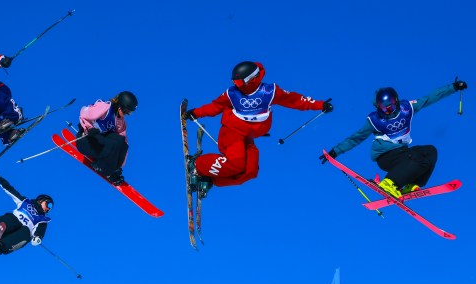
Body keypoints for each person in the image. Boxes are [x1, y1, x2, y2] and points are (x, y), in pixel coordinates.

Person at [185, 62, 330, 195]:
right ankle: (198, 165)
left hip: (248, 137)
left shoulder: (269, 92)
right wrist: (195, 113)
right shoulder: (232, 94)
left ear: (252, 79)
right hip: (231, 131)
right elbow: (215, 106)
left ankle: (209, 180)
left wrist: (320, 104)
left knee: (250, 171)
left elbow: (294, 100)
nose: (238, 85)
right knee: (235, 163)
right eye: (235, 82)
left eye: (240, 82)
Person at [321, 80, 468, 198]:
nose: (387, 111)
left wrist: (453, 87)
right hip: (386, 157)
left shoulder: (407, 108)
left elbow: (430, 98)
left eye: (390, 107)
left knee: (430, 151)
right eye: (383, 108)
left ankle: (411, 184)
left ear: (396, 102)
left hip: (402, 154)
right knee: (415, 156)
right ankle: (389, 182)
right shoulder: (375, 120)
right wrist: (335, 151)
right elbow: (356, 138)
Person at [0, 175, 54, 255]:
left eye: (50, 208)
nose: (48, 208)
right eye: (49, 205)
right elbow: (11, 190)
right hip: (13, 220)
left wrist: (37, 237)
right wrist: (0, 179)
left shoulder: (42, 219)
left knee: (26, 233)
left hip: (22, 232)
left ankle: (1, 246)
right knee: (11, 220)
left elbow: (40, 231)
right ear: (41, 200)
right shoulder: (25, 202)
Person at [75, 91, 138, 185]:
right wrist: (89, 128)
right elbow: (84, 113)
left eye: (129, 113)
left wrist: (117, 165)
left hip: (99, 145)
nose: (126, 114)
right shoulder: (105, 107)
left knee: (121, 142)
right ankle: (104, 168)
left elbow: (123, 143)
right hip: (86, 140)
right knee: (114, 142)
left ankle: (109, 168)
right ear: (120, 105)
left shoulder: (120, 122)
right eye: (125, 111)